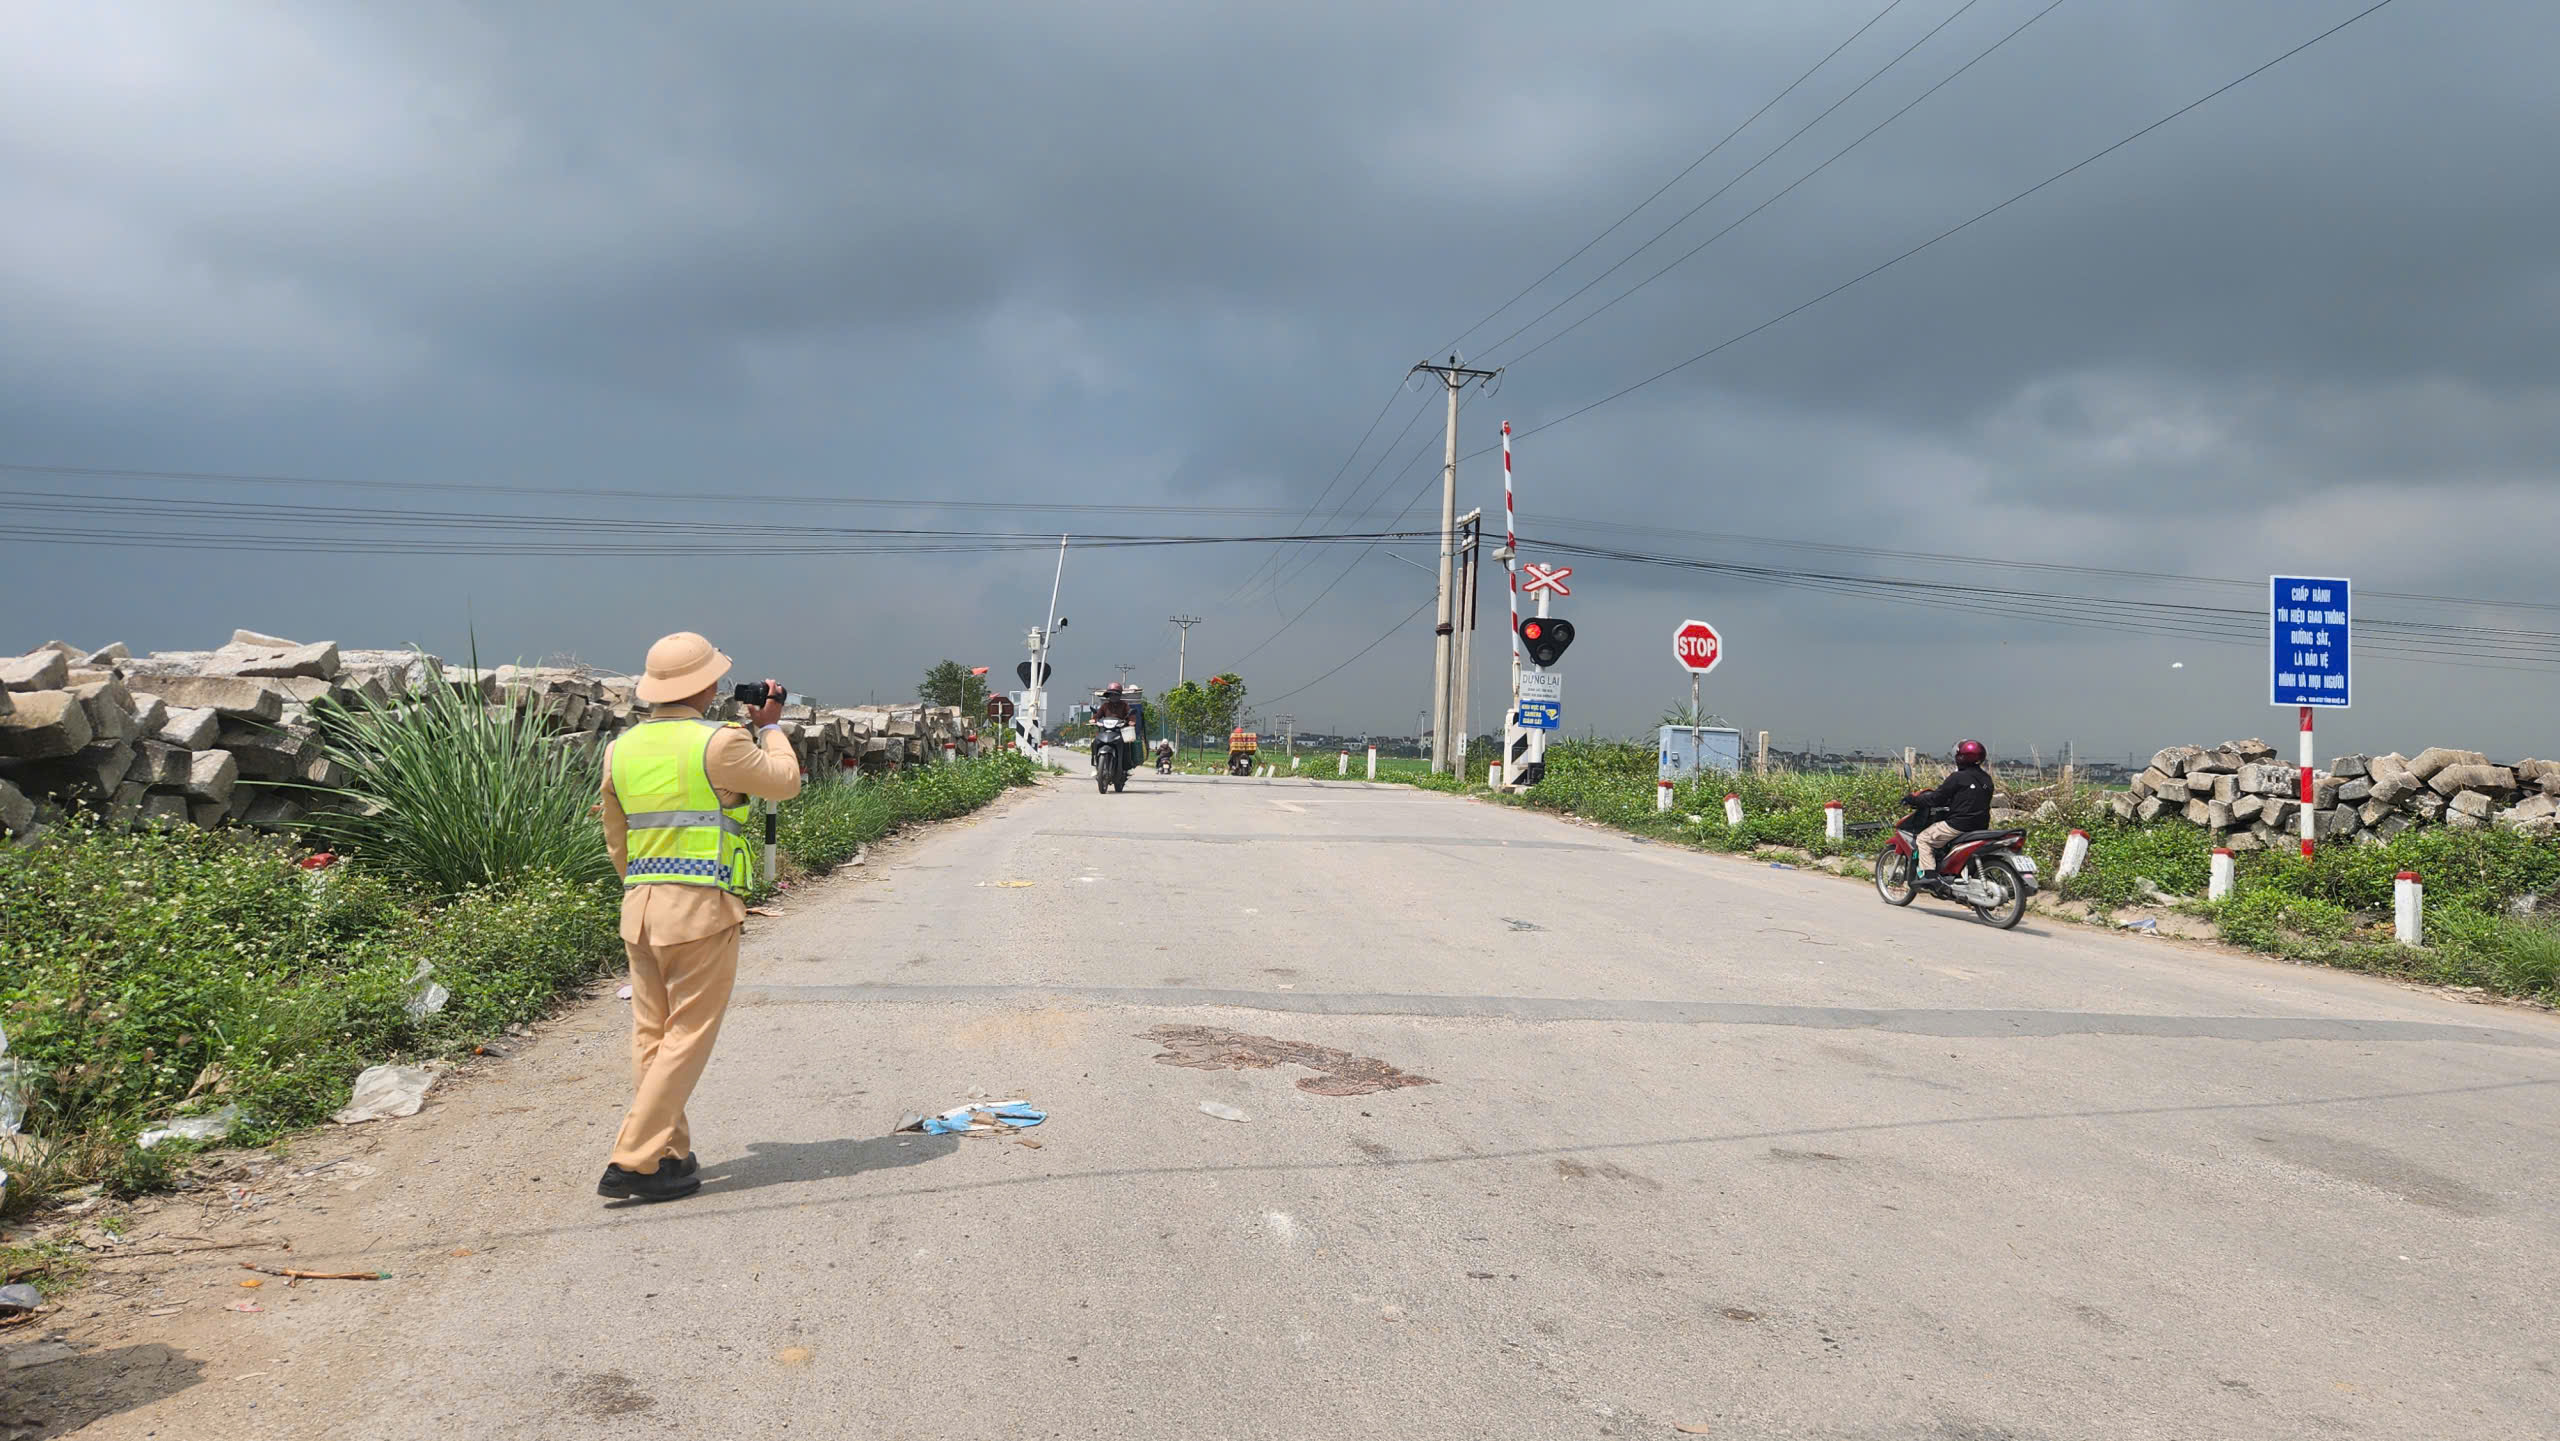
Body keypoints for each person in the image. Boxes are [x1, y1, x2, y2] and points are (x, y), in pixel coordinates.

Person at [595, 632, 802, 1203]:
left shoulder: (620, 749)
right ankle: (634, 1157)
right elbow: (784, 784)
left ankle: (669, 1155)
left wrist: (644, 889)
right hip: (701, 912)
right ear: (707, 686)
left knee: (652, 1035)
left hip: (640, 908)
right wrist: (772, 725)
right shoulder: (722, 743)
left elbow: (617, 836)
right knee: (687, 1035)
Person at [1906, 739, 1993, 881]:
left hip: (1958, 825)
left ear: (1961, 757)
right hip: (1980, 826)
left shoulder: (1957, 777)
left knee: (1924, 839)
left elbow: (1935, 799)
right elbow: (1970, 799)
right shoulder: (1986, 779)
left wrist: (1913, 799)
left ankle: (1930, 878)